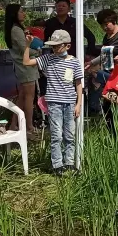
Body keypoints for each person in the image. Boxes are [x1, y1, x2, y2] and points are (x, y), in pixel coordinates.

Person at [29, 29, 83, 175]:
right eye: (52, 46)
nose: (54, 48)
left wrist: (78, 104)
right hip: (54, 102)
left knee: (69, 134)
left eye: (57, 45)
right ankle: (57, 164)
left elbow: (78, 83)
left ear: (67, 46)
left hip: (70, 102)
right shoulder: (48, 59)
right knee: (56, 135)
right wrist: (27, 46)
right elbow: (27, 62)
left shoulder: (75, 62)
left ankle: (70, 162)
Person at [5, 3, 39, 133]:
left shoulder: (16, 29)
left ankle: (14, 124)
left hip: (23, 67)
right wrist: (38, 51)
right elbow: (25, 49)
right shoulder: (16, 30)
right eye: (21, 11)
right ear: (15, 14)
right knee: (29, 98)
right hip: (26, 68)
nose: (23, 13)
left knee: (23, 97)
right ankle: (29, 126)